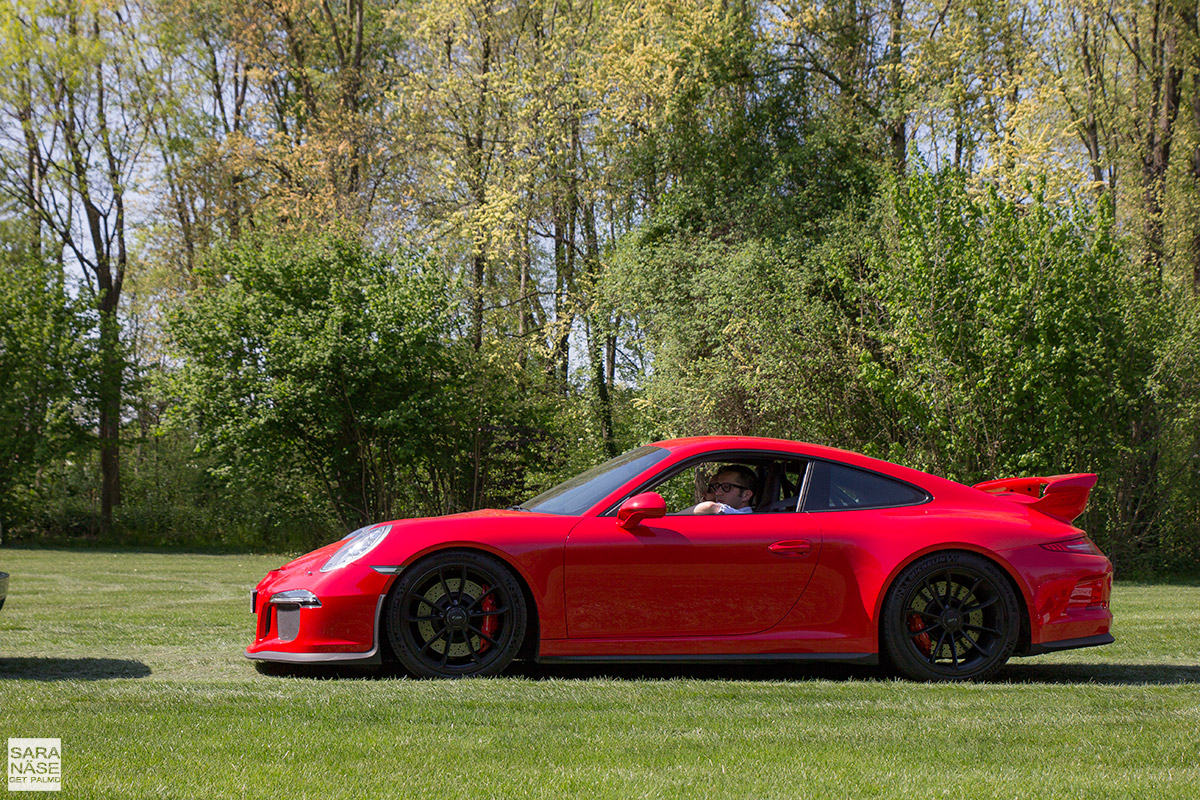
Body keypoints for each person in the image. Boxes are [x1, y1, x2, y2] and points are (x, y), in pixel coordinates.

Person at [675, 465, 755, 515]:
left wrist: (671, 518)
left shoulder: (745, 517)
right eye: (717, 486)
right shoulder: (724, 514)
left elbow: (709, 507)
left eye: (726, 487)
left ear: (746, 495)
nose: (717, 493)